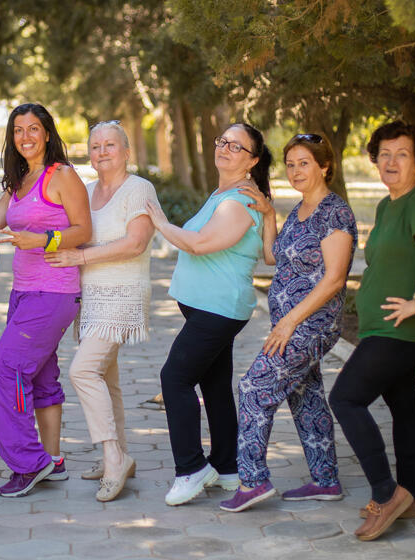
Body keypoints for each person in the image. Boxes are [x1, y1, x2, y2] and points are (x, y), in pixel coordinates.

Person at [219, 134, 357, 513]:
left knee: (252, 388)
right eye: (291, 164)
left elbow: (334, 279)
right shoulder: (299, 212)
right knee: (305, 397)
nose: (296, 171)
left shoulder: (335, 213)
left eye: (305, 163)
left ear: (325, 167)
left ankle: (253, 481)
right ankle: (326, 481)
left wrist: (289, 323)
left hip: (310, 326)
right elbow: (271, 256)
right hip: (291, 324)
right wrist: (268, 215)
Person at [328, 121, 415, 541]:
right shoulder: (388, 205)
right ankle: (412, 497)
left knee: (345, 398)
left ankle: (386, 494)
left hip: (401, 331)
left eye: (402, 154)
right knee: (404, 409)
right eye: (383, 154)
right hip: (387, 329)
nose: (391, 162)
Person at [145, 123, 271, 506]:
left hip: (218, 309)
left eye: (237, 146)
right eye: (223, 141)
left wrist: (160, 223)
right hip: (210, 308)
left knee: (175, 378)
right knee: (215, 386)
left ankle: (191, 468)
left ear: (252, 160)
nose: (225, 148)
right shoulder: (225, 194)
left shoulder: (239, 202)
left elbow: (199, 244)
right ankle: (228, 468)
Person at [45, 121, 158, 502]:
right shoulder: (88, 189)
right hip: (89, 298)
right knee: (106, 380)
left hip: (123, 294)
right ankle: (122, 454)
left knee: (83, 370)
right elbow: (64, 230)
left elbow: (136, 243)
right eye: (95, 146)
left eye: (111, 145)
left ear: (127, 151)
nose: (102, 152)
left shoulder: (139, 188)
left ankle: (113, 458)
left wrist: (81, 255)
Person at [0, 102, 92, 497]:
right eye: (18, 130)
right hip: (23, 291)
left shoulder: (61, 175)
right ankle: (54, 460)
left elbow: (84, 229)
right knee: (42, 378)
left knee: (4, 370)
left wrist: (46, 239)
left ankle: (28, 464)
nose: (25, 136)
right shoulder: (19, 180)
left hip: (54, 292)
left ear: (47, 133)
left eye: (33, 128)